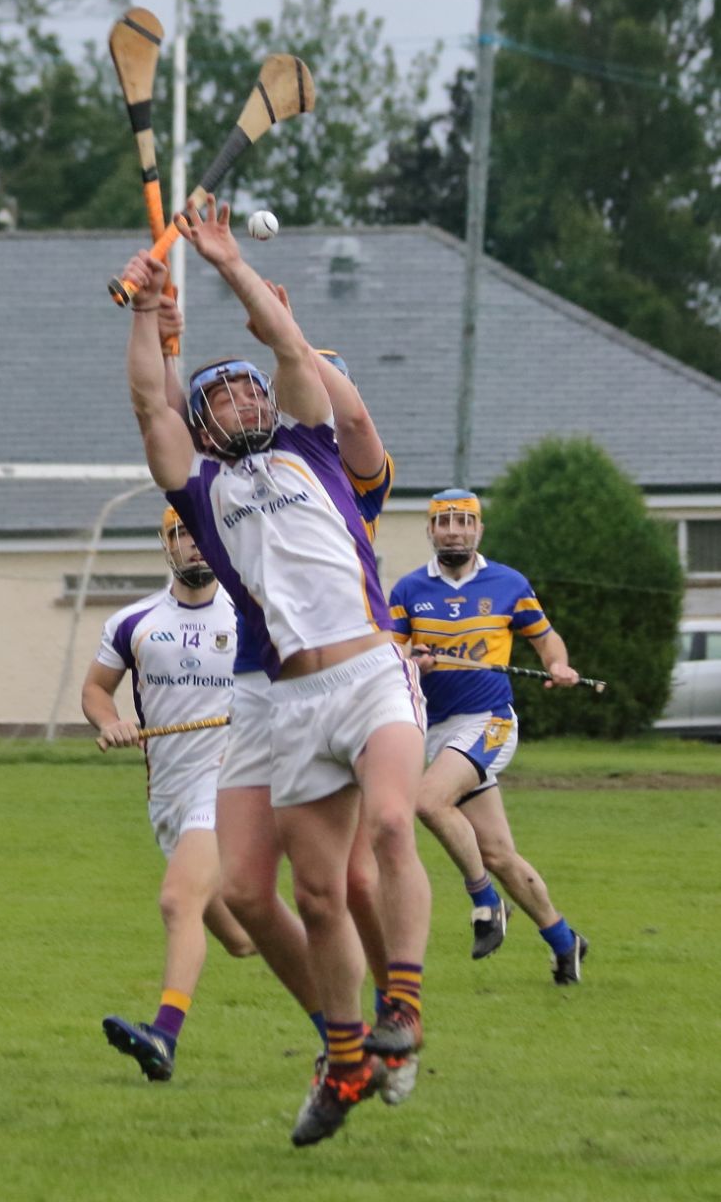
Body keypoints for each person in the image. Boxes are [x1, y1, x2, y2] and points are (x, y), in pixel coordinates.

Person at [117, 195, 431, 1147]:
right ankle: (343, 1056)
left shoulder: (314, 448)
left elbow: (294, 353)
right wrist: (145, 311)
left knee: (388, 824)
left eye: (251, 388)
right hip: (289, 696)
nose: (247, 400)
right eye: (224, 396)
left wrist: (223, 263)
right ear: (205, 426)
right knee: (309, 896)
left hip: (373, 671)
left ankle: (403, 1014)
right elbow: (148, 404)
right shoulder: (205, 494)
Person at [81, 505, 254, 1084]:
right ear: (166, 545)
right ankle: (338, 955)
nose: (194, 544)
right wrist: (109, 722)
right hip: (168, 799)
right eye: (181, 534)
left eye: (201, 532)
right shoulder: (134, 623)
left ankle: (164, 1035)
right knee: (242, 939)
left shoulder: (253, 613)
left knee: (178, 903)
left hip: (228, 783)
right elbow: (96, 690)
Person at [388, 488, 589, 984]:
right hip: (437, 731)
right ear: (430, 530)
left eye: (463, 521)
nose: (454, 530)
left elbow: (545, 639)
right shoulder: (409, 591)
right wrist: (412, 664)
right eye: (444, 522)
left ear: (479, 529)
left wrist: (558, 665)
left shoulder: (508, 584)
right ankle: (566, 942)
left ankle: (485, 902)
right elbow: (388, 660)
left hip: (489, 721)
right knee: (497, 852)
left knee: (430, 802)